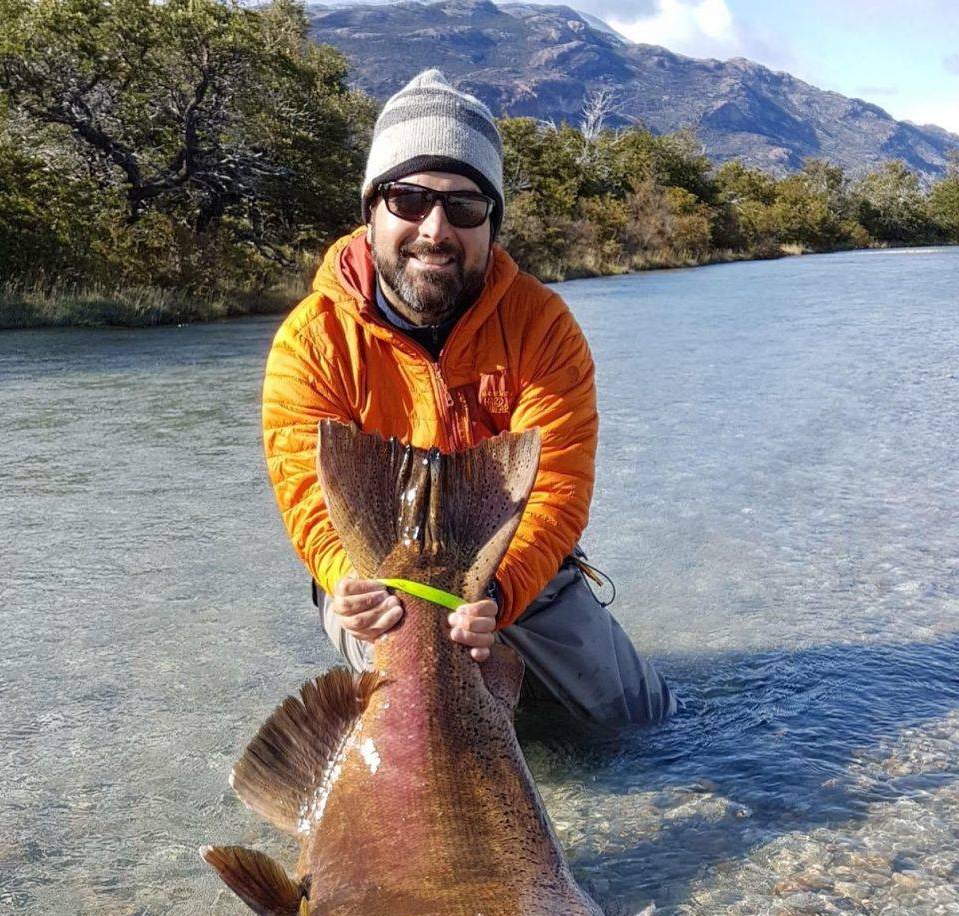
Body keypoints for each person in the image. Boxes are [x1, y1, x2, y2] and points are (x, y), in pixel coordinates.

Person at [262, 68, 674, 726]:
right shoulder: (311, 341)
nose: (434, 228)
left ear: (492, 224)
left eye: (464, 207)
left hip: (513, 571)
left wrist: (500, 595)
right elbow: (305, 492)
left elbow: (558, 490)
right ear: (370, 210)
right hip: (377, 580)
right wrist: (344, 579)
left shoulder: (544, 329)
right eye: (407, 199)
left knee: (644, 725)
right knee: (411, 726)